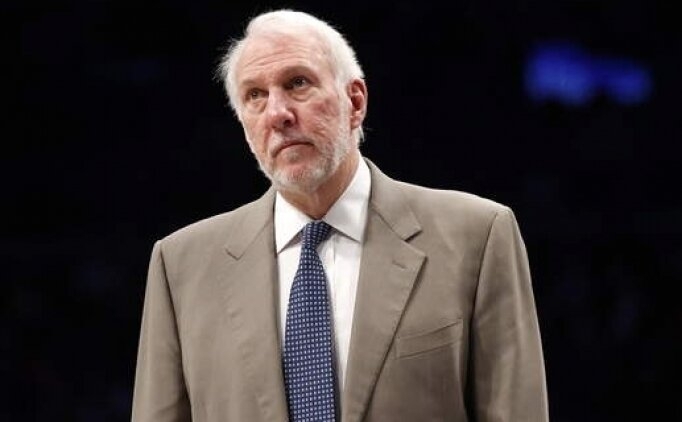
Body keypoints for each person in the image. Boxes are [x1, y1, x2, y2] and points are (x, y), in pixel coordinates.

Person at [131, 9, 548, 422]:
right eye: (255, 96)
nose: (277, 114)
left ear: (355, 101)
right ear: (244, 125)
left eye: (297, 83)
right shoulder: (181, 266)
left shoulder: (477, 236)